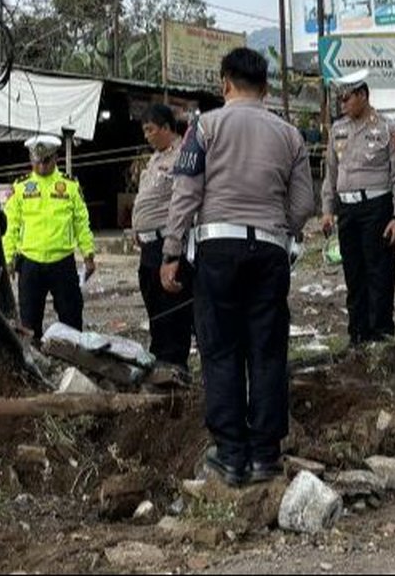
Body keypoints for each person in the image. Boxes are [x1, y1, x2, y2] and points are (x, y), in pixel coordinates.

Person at [160, 47, 315, 486]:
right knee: (267, 351)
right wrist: (274, 228)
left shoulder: (203, 127)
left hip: (217, 252)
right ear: (265, 88)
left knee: (221, 350)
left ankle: (230, 456)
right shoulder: (291, 136)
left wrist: (172, 253)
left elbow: (185, 195)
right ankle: (266, 456)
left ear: (224, 82)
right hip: (269, 251)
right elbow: (303, 204)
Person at [321, 70, 395, 346]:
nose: (343, 104)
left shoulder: (388, 127)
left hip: (377, 208)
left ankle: (380, 335)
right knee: (354, 274)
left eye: (347, 98)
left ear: (363, 95)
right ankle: (357, 335)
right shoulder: (338, 129)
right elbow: (330, 174)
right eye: (340, 99)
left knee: (379, 273)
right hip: (347, 211)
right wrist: (327, 210)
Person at [2, 134, 95, 342]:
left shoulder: (69, 186)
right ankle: (35, 362)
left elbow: (82, 223)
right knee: (29, 321)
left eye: (46, 161)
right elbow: (10, 227)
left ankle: (74, 362)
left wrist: (88, 254)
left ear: (56, 159)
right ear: (30, 160)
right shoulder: (21, 188)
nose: (41, 166)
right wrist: (8, 259)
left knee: (71, 318)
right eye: (36, 162)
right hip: (30, 263)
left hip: (62, 262)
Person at [131, 104, 193, 382]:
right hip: (147, 245)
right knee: (153, 302)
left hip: (166, 241)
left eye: (150, 129)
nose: (147, 136)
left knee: (171, 305)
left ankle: (175, 362)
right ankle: (159, 359)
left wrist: (174, 248)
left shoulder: (183, 156)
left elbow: (183, 201)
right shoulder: (155, 159)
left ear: (167, 128)